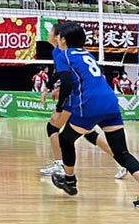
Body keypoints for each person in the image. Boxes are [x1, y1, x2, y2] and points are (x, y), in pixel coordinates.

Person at [47, 21, 139, 207]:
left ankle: (70, 181)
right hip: (111, 103)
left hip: (89, 105)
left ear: (63, 39)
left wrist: (59, 109)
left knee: (65, 140)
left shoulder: (64, 55)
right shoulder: (87, 54)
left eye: (58, 36)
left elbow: (66, 83)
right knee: (121, 152)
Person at [39, 22, 121, 180]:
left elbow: (66, 78)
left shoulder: (61, 53)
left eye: (51, 32)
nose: (48, 34)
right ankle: (120, 160)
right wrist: (50, 88)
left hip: (78, 96)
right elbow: (61, 74)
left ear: (59, 37)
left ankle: (60, 164)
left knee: (53, 126)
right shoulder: (66, 51)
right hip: (83, 95)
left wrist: (58, 104)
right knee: (88, 133)